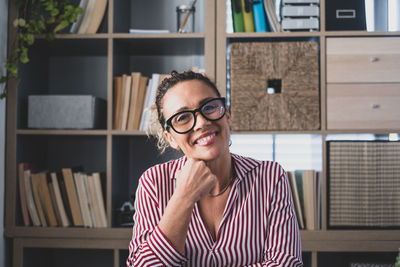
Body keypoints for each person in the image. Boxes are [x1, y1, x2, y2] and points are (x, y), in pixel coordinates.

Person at [127, 70, 303, 267]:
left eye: (209, 107)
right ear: (171, 139)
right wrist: (184, 197)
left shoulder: (270, 176)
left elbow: (286, 264)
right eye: (182, 117)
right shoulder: (154, 182)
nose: (202, 122)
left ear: (226, 115)